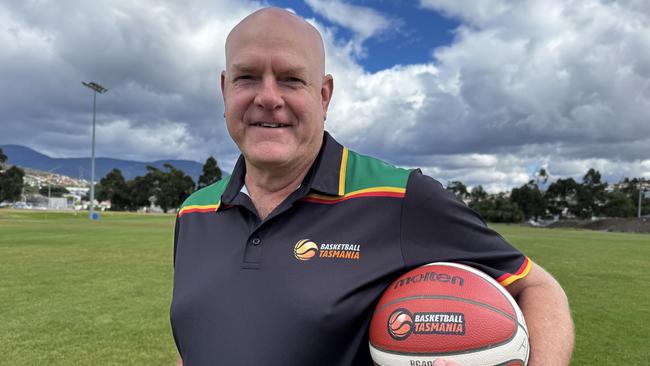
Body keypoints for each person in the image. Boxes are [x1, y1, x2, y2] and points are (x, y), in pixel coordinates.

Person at [170, 7, 574, 366]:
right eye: (248, 77)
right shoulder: (195, 213)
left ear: (324, 95)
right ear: (225, 89)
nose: (268, 97)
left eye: (292, 79)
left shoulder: (402, 199)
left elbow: (537, 286)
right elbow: (197, 340)